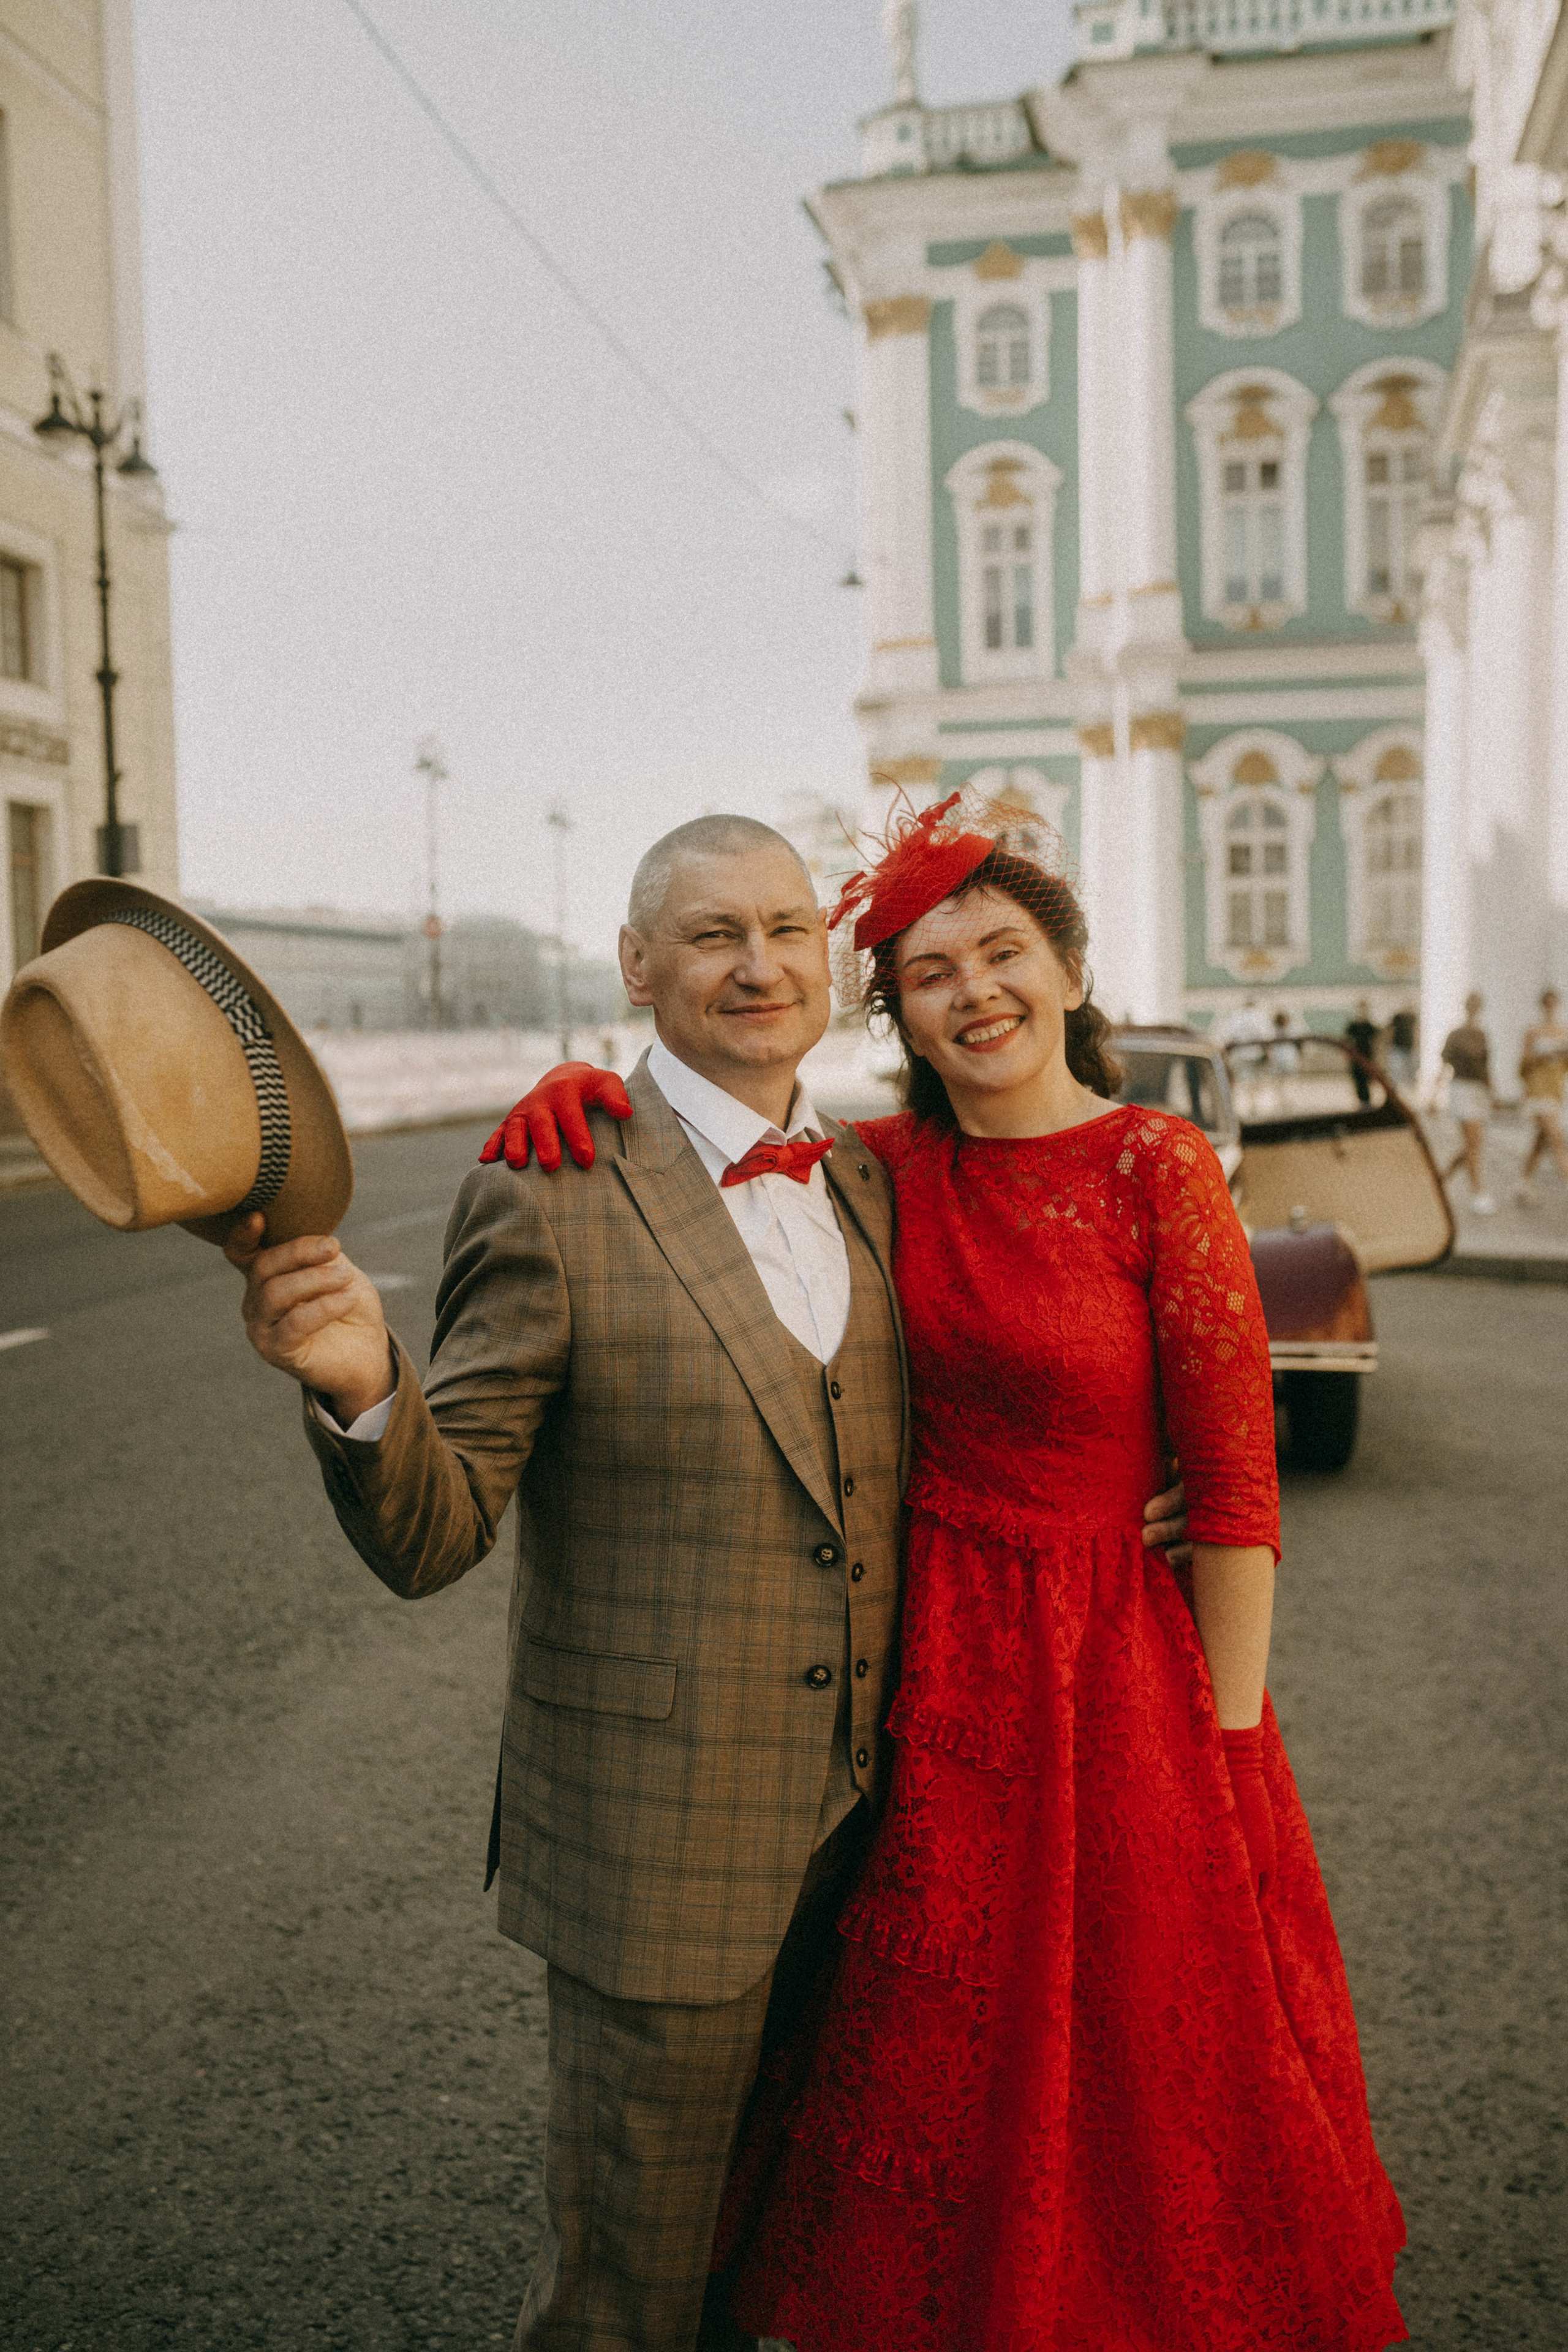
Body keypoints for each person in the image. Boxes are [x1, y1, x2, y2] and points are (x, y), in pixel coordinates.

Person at [224, 812, 1185, 2352]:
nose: (758, 964)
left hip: (896, 1842)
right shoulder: (548, 1187)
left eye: (788, 929)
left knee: (800, 2267)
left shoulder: (879, 1176)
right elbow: (435, 1530)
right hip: (659, 1854)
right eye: (710, 935)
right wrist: (359, 1382)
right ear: (634, 965)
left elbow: (1043, 1332)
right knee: (627, 2298)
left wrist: (1162, 1479)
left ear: (827, 958)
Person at [500, 796, 1407, 2352]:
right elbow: (718, 1165)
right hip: (916, 1657)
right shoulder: (873, 1170)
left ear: (1063, 972)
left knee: (1116, 2056)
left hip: (1109, 1677)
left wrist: (1229, 1748)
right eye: (930, 969)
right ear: (898, 1009)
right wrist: (596, 1093)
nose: (974, 989)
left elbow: (1237, 1490)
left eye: (1002, 953)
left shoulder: (1155, 1165)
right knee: (915, 2039)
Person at [1439, 991, 1496, 1215]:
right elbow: (1445, 1064)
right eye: (1471, 1004)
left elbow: (1486, 1067)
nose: (1474, 1008)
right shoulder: (1455, 1034)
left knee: (1473, 1145)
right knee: (1473, 1144)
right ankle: (1478, 1192)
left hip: (1479, 1090)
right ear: (1466, 1006)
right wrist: (1435, 1095)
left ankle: (1441, 1181)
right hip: (1461, 1089)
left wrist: (1494, 1094)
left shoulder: (1482, 1035)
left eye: (1477, 1004)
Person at [1516, 986, 1568, 1205]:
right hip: (1537, 1091)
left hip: (1554, 1090)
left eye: (1553, 1002)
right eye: (1547, 1002)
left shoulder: (1564, 1032)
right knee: (1556, 1139)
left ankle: (1524, 1183)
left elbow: (1564, 1067)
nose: (1550, 1007)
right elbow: (1523, 1065)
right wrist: (1543, 1057)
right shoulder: (1533, 1030)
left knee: (1541, 1142)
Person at [1346, 998, 1381, 1107]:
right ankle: (1361, 1101)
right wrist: (1348, 1056)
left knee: (1366, 1079)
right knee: (1358, 1079)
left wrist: (1377, 1057)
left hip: (1367, 1056)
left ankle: (1367, 1101)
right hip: (1356, 1056)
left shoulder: (1369, 1026)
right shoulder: (1353, 1025)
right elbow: (1348, 1041)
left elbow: (1375, 1042)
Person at [1386, 1003, 1419, 1094]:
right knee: (1397, 1071)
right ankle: (1395, 1092)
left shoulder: (1412, 1018)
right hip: (1398, 1048)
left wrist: (1415, 1046)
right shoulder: (1398, 1018)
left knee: (1411, 1072)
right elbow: (1391, 1031)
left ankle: (1411, 1092)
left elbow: (1415, 1031)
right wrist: (1390, 1045)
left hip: (1409, 1048)